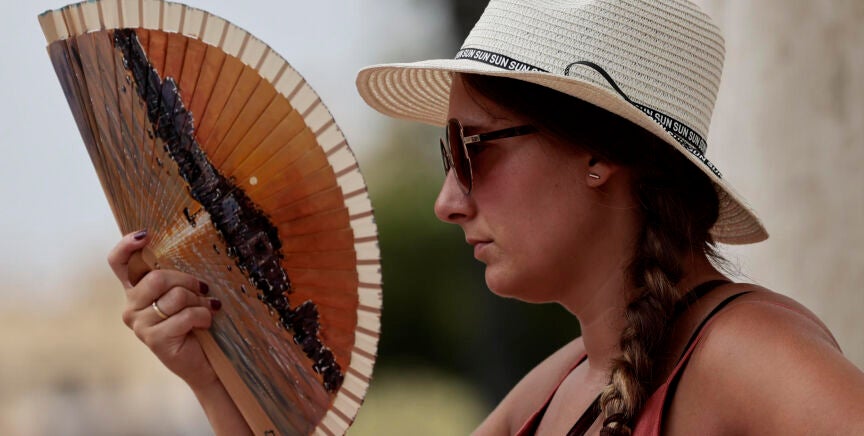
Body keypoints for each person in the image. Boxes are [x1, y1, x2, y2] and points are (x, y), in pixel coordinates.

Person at [110, 0, 864, 434]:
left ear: (599, 152)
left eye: (473, 149)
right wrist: (215, 379)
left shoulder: (747, 356)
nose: (447, 201)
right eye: (446, 156)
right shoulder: (558, 389)